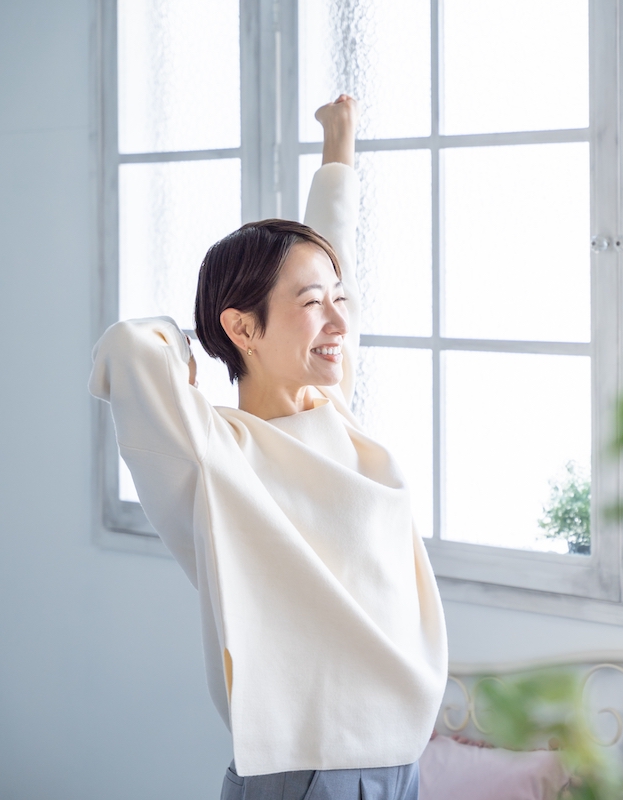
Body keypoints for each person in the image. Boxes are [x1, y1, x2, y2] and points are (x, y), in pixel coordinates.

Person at [90, 95, 447, 800]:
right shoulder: (212, 452)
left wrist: (338, 148)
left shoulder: (333, 411)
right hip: (315, 774)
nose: (339, 318)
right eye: (314, 302)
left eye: (341, 296)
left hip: (399, 764)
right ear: (243, 330)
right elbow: (131, 346)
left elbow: (330, 243)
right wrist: (194, 343)